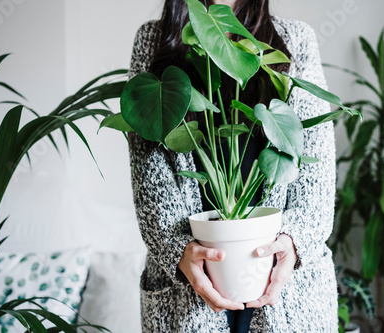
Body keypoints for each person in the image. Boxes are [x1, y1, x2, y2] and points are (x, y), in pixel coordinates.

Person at [128, 0, 338, 332]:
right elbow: (147, 164)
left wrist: (294, 244)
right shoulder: (154, 41)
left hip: (283, 283)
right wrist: (177, 251)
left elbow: (316, 166)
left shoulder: (293, 40)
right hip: (188, 283)